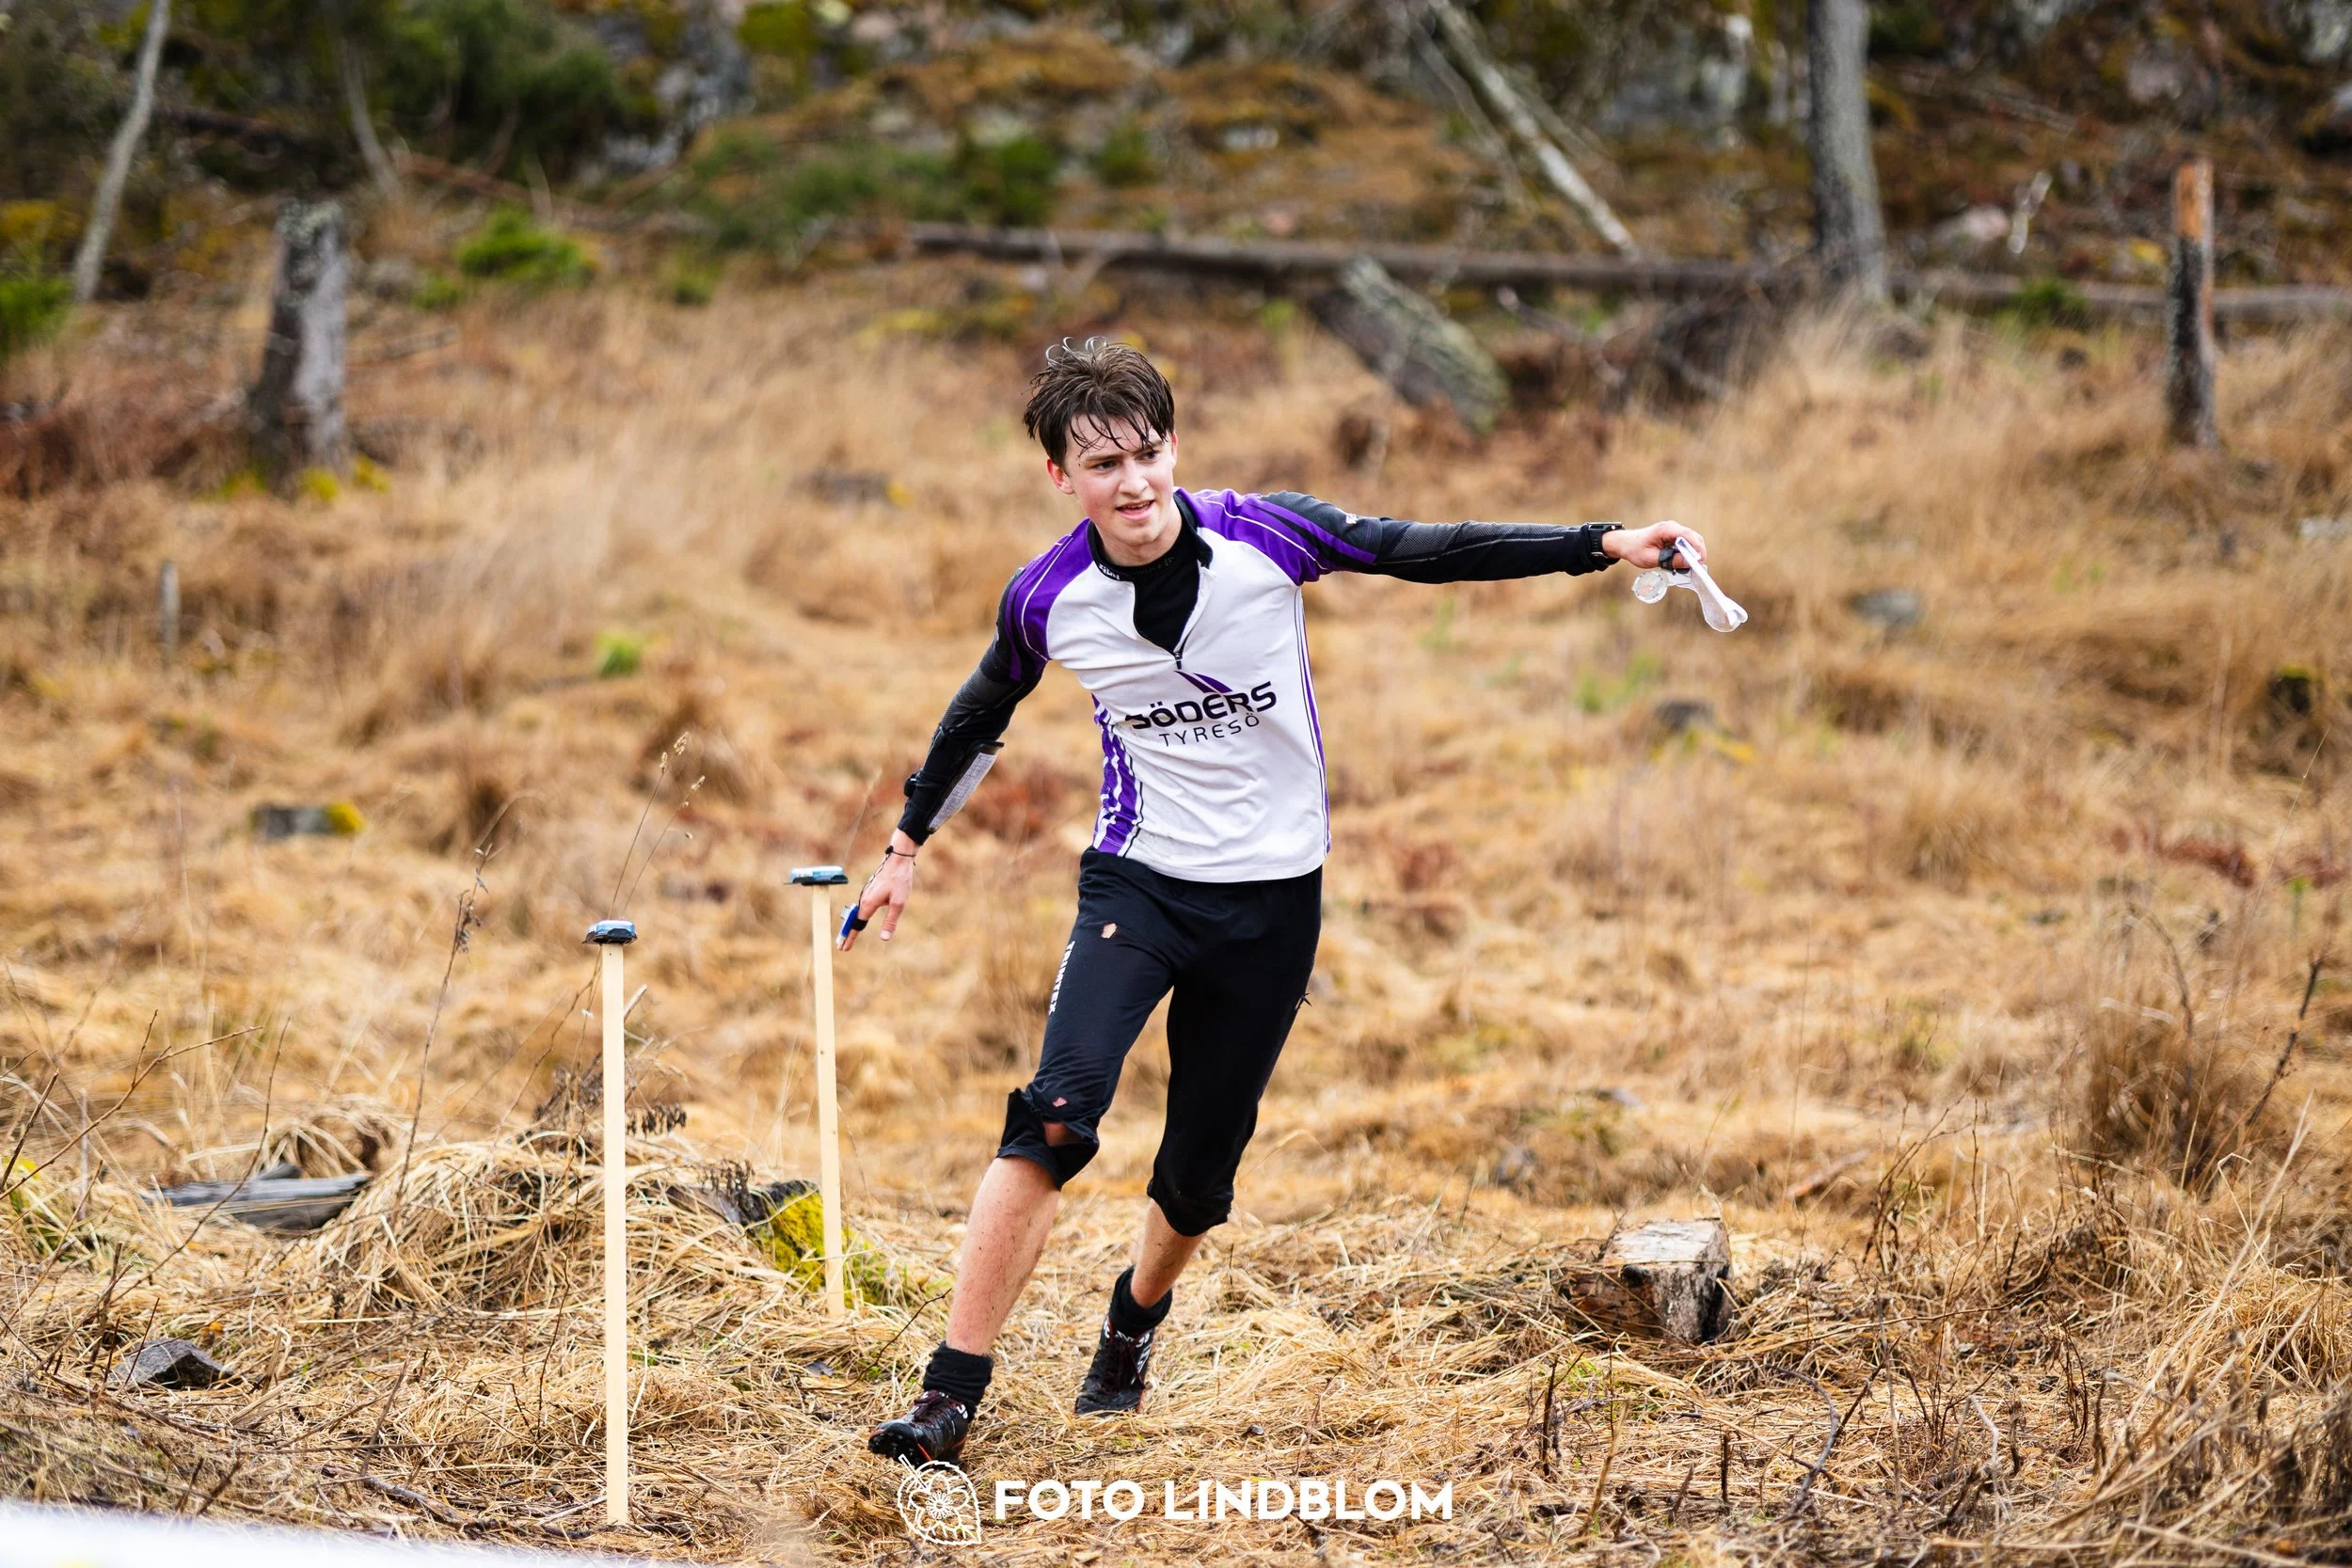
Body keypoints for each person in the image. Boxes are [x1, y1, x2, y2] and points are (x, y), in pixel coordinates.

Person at [848, 338, 1704, 1465]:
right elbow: (978, 714)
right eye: (1104, 464)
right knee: (1054, 1113)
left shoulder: (1267, 533)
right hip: (1138, 877)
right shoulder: (1047, 597)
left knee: (1198, 1178)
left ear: (1173, 448)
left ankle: (1132, 1321)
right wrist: (907, 840)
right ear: (1061, 477)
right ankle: (948, 1397)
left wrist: (1599, 543)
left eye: (1149, 452)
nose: (1136, 482)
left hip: (1271, 897)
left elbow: (1424, 549)